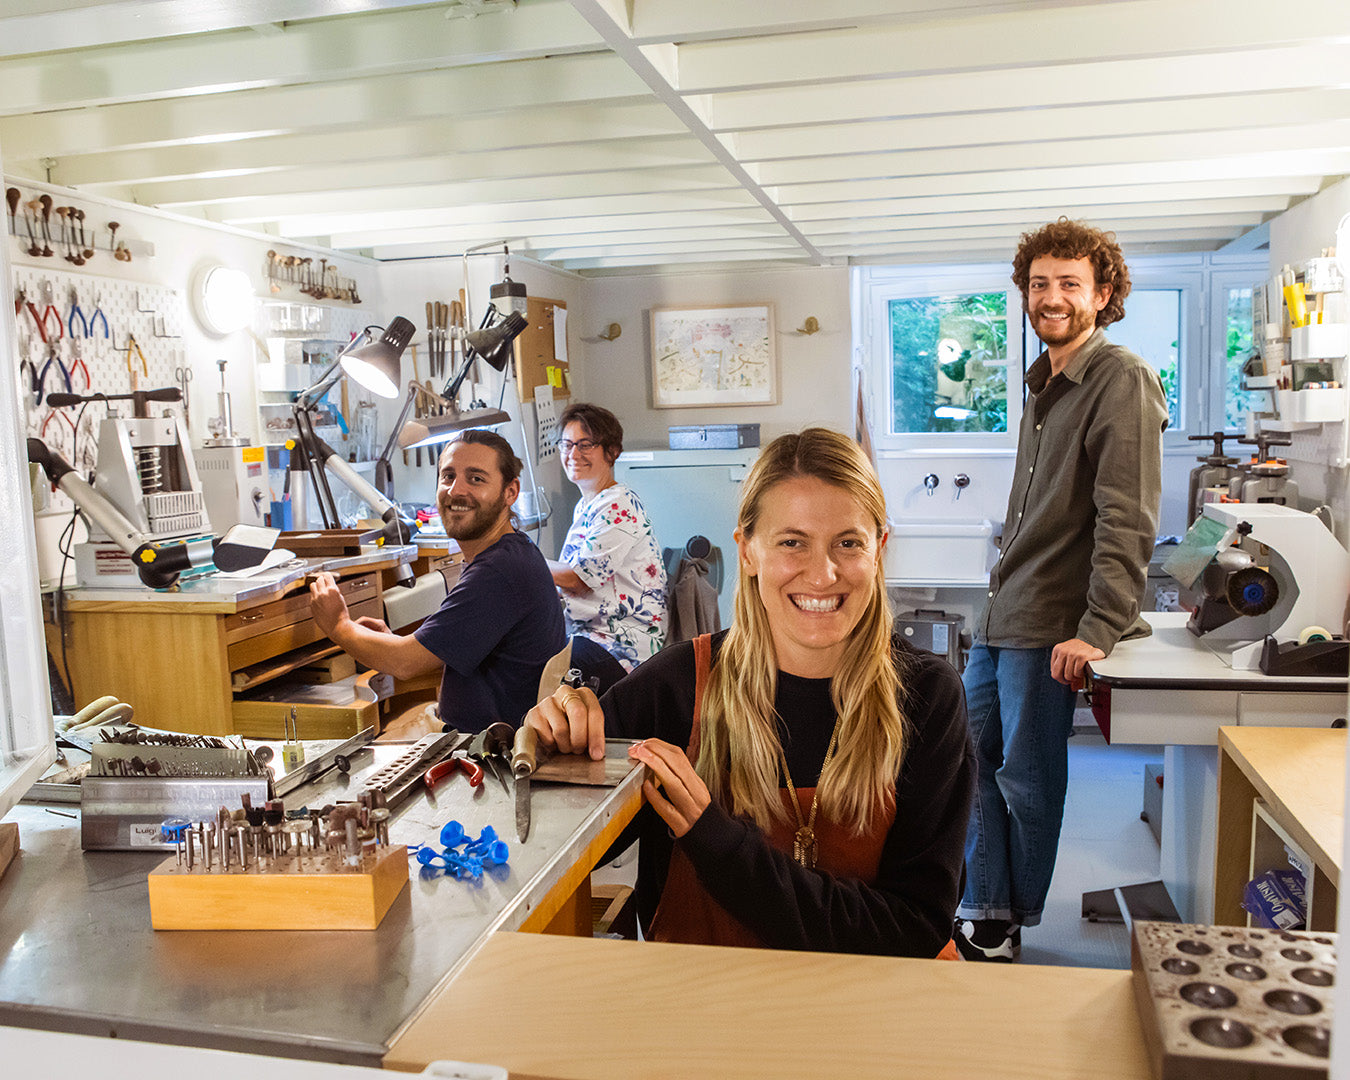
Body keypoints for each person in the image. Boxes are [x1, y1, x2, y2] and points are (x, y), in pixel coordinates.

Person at [526, 428, 974, 956]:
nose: (823, 573)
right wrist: (553, 745)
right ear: (748, 551)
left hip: (873, 1010)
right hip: (706, 1014)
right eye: (792, 542)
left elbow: (915, 926)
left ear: (878, 549)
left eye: (848, 543)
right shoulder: (674, 687)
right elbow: (553, 854)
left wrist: (714, 839)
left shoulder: (924, 695)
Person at [955, 218, 1167, 962]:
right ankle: (984, 899)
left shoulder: (1120, 379)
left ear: (1103, 294)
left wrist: (1100, 625)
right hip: (1003, 611)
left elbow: (1127, 514)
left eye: (1069, 284)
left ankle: (1008, 919)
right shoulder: (1044, 382)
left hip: (1049, 620)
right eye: (1039, 284)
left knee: (1028, 777)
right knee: (972, 759)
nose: (1051, 297)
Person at [310, 429, 564, 735]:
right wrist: (393, 641)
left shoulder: (498, 572)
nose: (456, 491)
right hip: (473, 732)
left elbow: (404, 662)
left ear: (510, 492)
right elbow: (432, 652)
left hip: (487, 750)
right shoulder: (510, 553)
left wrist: (338, 626)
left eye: (476, 479)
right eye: (448, 477)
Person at [546, 403, 666, 687]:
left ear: (612, 452)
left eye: (585, 445)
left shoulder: (617, 503)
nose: (573, 454)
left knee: (531, 666)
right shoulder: (588, 504)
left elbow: (577, 580)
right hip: (593, 634)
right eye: (567, 444)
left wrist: (521, 559)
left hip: (621, 645)